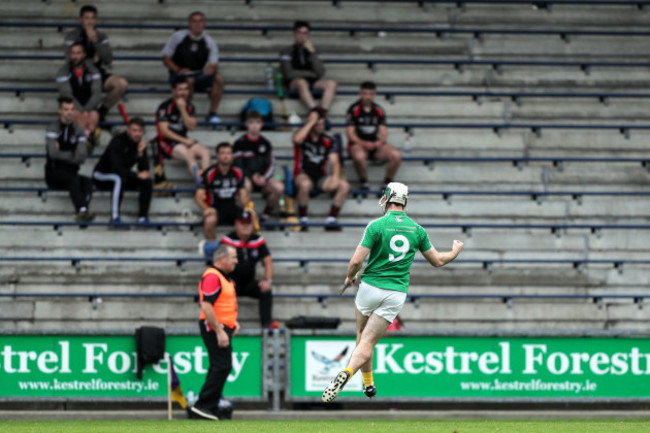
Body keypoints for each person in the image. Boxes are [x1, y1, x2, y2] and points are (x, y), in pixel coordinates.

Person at [322, 182, 464, 403]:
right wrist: (455, 251)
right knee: (368, 342)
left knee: (362, 336)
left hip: (369, 287)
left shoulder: (376, 226)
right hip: (395, 292)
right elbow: (437, 261)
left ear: (386, 198)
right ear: (405, 202)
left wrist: (350, 276)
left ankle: (358, 378)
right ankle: (359, 379)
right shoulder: (418, 230)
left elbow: (356, 260)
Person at [190, 243, 239, 421]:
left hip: (221, 325)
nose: (236, 261)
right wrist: (219, 330)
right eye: (233, 257)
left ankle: (207, 405)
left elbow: (221, 305)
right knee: (222, 366)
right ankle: (204, 405)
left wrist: (233, 322)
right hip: (214, 326)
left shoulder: (222, 277)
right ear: (222, 258)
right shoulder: (212, 276)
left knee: (219, 366)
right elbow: (206, 305)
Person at [64, 4, 128, 123]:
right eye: (86, 18)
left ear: (96, 20)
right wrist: (92, 60)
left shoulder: (101, 36)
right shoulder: (72, 36)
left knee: (121, 84)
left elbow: (108, 59)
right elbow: (70, 60)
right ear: (80, 19)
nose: (89, 21)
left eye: (92, 18)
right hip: (79, 76)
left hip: (97, 74)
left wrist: (95, 42)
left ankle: (101, 112)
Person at [162, 11, 224, 126]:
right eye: (194, 21)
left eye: (200, 21)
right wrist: (178, 70)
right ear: (189, 24)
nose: (197, 24)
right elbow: (165, 57)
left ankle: (212, 114)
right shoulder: (178, 37)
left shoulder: (209, 41)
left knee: (219, 77)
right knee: (188, 81)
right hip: (179, 74)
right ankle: (186, 113)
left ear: (204, 24)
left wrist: (211, 69)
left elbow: (214, 63)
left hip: (198, 74)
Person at [220, 208, 278, 329]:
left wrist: (268, 280)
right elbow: (219, 263)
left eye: (248, 223)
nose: (246, 226)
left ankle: (267, 326)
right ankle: (225, 324)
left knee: (266, 290)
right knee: (222, 291)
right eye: (242, 223)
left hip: (249, 282)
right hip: (231, 282)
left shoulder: (257, 240)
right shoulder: (228, 240)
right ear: (236, 224)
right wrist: (226, 280)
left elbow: (268, 261)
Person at [292, 108, 349, 231]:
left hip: (320, 176)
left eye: (322, 124)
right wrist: (311, 122)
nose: (321, 126)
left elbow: (334, 161)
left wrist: (335, 178)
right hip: (302, 173)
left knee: (344, 185)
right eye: (318, 124)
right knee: (305, 184)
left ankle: (331, 220)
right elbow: (296, 139)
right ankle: (303, 220)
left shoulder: (327, 140)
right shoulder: (303, 136)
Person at [92, 118, 152, 225]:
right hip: (102, 175)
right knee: (118, 179)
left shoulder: (140, 145)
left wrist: (140, 154)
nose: (137, 134)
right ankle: (115, 218)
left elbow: (144, 170)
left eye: (140, 131)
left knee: (147, 181)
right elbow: (116, 168)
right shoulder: (118, 141)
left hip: (123, 175)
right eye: (134, 130)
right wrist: (137, 175)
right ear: (128, 130)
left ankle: (143, 217)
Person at [346, 81, 402, 192]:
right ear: (360, 93)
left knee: (396, 155)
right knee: (359, 156)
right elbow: (350, 134)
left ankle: (387, 183)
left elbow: (384, 132)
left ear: (374, 94)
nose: (368, 96)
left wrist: (379, 142)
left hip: (375, 144)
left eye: (371, 94)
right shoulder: (354, 109)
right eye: (365, 93)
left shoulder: (379, 110)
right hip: (359, 144)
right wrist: (363, 144)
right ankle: (364, 181)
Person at [45, 96, 95, 221]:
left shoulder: (78, 130)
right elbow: (52, 153)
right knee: (74, 179)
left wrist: (62, 152)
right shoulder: (53, 128)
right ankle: (82, 210)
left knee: (88, 182)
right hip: (54, 173)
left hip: (72, 172)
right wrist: (73, 153)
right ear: (60, 111)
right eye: (66, 109)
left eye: (72, 109)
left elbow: (82, 157)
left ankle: (83, 210)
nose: (69, 112)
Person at [155, 76, 212, 186]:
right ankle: (201, 185)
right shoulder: (165, 107)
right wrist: (184, 141)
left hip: (182, 140)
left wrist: (183, 110)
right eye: (180, 89)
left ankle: (208, 182)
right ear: (174, 91)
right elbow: (164, 132)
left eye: (186, 89)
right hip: (166, 142)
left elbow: (191, 127)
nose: (184, 92)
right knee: (190, 154)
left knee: (206, 152)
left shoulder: (190, 107)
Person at [233, 111, 284, 223]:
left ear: (262, 124)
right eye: (251, 122)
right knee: (245, 186)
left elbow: (271, 163)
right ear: (246, 124)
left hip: (262, 179)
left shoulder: (266, 143)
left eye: (257, 122)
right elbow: (237, 165)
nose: (254, 126)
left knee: (279, 187)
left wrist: (264, 177)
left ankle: (266, 214)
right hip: (248, 177)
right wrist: (252, 176)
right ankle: (247, 215)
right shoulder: (239, 143)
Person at [195, 142, 251, 241]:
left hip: (233, 207)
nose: (226, 156)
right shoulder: (209, 173)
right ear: (217, 155)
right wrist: (206, 208)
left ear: (232, 155)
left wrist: (246, 206)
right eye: (223, 153)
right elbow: (198, 196)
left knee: (251, 217)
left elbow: (243, 194)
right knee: (209, 221)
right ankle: (213, 250)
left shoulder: (238, 172)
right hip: (216, 208)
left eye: (229, 153)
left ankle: (243, 250)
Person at [280, 20, 337, 112]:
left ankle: (322, 112)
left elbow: (320, 72)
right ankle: (314, 111)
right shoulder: (287, 51)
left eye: (305, 33)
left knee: (331, 84)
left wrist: (313, 53)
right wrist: (311, 74)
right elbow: (288, 73)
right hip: (294, 84)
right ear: (294, 34)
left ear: (309, 35)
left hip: (312, 83)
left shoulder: (315, 51)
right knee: (302, 82)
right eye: (299, 33)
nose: (302, 36)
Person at [56, 42, 102, 151]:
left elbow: (97, 93)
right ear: (69, 55)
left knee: (94, 115)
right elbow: (67, 94)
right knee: (76, 114)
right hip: (72, 106)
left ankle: (89, 136)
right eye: (73, 53)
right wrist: (82, 110)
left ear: (84, 54)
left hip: (89, 106)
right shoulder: (63, 72)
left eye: (78, 53)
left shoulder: (93, 70)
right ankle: (87, 138)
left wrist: (87, 109)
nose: (75, 56)